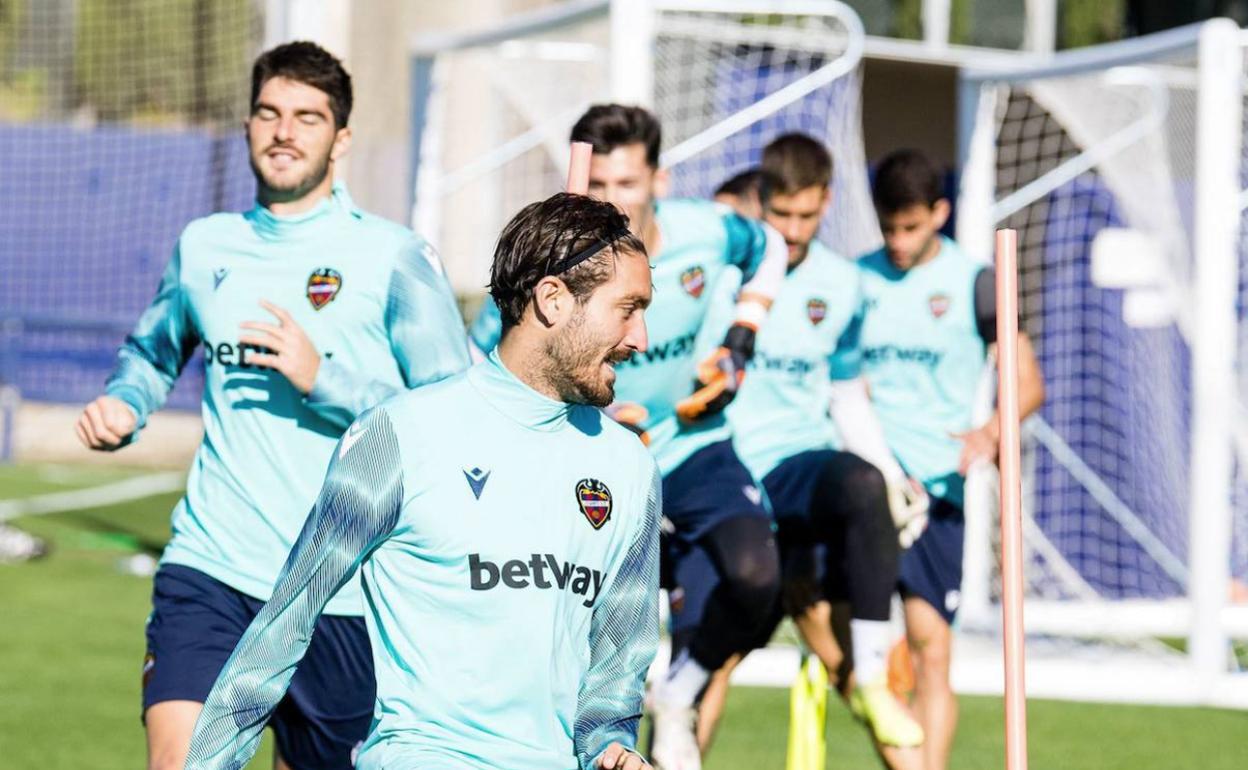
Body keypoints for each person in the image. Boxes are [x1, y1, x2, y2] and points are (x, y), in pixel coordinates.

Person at [75, 41, 471, 770]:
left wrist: (328, 380)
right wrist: (125, 404)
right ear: (250, 124)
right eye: (269, 113)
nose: (285, 131)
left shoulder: (393, 257)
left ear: (340, 138)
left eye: (308, 118)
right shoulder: (206, 246)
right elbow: (152, 352)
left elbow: (456, 418)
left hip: (344, 589)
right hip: (214, 568)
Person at [186, 193, 660, 770]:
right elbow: (283, 626)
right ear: (553, 299)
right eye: (627, 308)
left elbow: (617, 672)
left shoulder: (628, 466)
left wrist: (611, 747)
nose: (641, 338)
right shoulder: (400, 436)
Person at [468, 104, 789, 770]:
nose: (613, 201)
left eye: (629, 185)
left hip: (690, 444)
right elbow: (482, 359)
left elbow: (772, 250)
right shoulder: (552, 261)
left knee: (759, 579)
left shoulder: (708, 231)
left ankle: (680, 692)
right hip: (585, 457)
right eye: (600, 186)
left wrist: (741, 338)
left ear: (659, 181)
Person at [680, 135, 926, 767]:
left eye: (806, 216)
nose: (792, 230)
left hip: (798, 473)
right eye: (780, 215)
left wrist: (894, 474)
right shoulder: (715, 277)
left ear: (827, 205)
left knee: (864, 486)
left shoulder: (842, 286)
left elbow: (846, 395)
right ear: (761, 203)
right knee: (696, 676)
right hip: (721, 480)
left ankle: (872, 675)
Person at [858, 149, 1045, 770]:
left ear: (939, 212)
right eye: (889, 228)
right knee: (855, 656)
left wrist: (989, 433)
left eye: (911, 227)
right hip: (865, 486)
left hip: (937, 491)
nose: (899, 241)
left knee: (930, 649)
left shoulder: (977, 282)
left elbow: (1027, 382)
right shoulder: (854, 280)